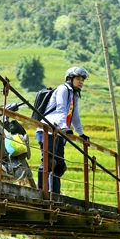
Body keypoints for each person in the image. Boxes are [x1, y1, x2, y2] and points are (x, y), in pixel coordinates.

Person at [36, 66, 90, 194]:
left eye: (82, 79)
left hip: (59, 131)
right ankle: (40, 191)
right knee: (49, 162)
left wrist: (80, 133)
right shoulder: (63, 89)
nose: (81, 82)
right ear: (69, 79)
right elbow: (60, 108)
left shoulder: (74, 95)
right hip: (48, 129)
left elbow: (74, 115)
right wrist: (65, 127)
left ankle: (55, 193)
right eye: (78, 79)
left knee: (59, 165)